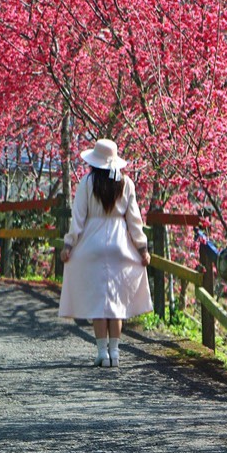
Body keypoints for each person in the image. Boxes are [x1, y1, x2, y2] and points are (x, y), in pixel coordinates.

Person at [58, 139, 151, 367]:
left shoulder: (87, 183)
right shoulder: (126, 183)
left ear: (94, 161)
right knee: (116, 302)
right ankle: (115, 352)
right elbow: (134, 221)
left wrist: (69, 245)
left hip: (92, 244)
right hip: (120, 245)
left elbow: (78, 218)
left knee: (99, 301)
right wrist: (142, 249)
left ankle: (102, 352)